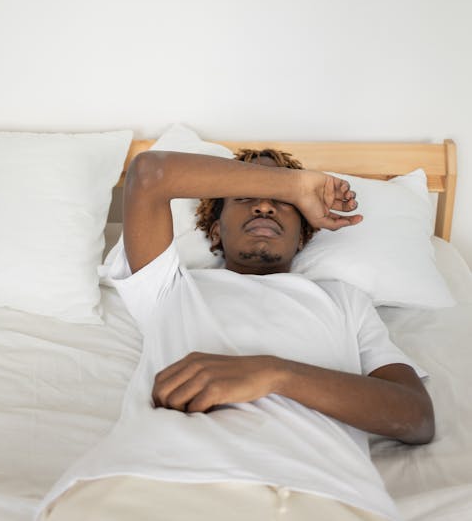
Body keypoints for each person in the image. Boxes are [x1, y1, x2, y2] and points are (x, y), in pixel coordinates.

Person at [38, 148, 434, 521]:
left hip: (314, 492)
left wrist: (274, 374)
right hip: (144, 479)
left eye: (283, 203)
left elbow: (415, 417)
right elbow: (149, 174)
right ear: (214, 230)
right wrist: (292, 186)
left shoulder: (343, 300)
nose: (264, 204)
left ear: (302, 236)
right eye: (246, 196)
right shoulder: (169, 286)